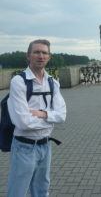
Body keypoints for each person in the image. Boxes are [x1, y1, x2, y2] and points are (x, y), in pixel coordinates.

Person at [7, 39, 66, 197]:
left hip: (45, 146)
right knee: (17, 192)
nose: (41, 56)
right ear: (28, 56)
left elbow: (62, 115)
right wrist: (50, 118)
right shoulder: (19, 82)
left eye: (44, 53)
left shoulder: (53, 82)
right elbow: (23, 122)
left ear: (49, 57)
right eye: (36, 52)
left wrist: (43, 113)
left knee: (42, 190)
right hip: (24, 147)